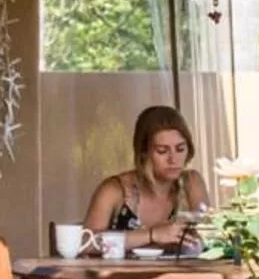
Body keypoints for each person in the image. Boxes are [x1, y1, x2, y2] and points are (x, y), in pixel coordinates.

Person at [83, 106, 209, 252]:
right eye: (162, 151)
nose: (173, 159)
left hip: (178, 275)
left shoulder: (190, 183)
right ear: (144, 153)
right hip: (120, 275)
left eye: (180, 149)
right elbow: (87, 243)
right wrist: (152, 235)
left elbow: (210, 237)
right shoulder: (114, 190)